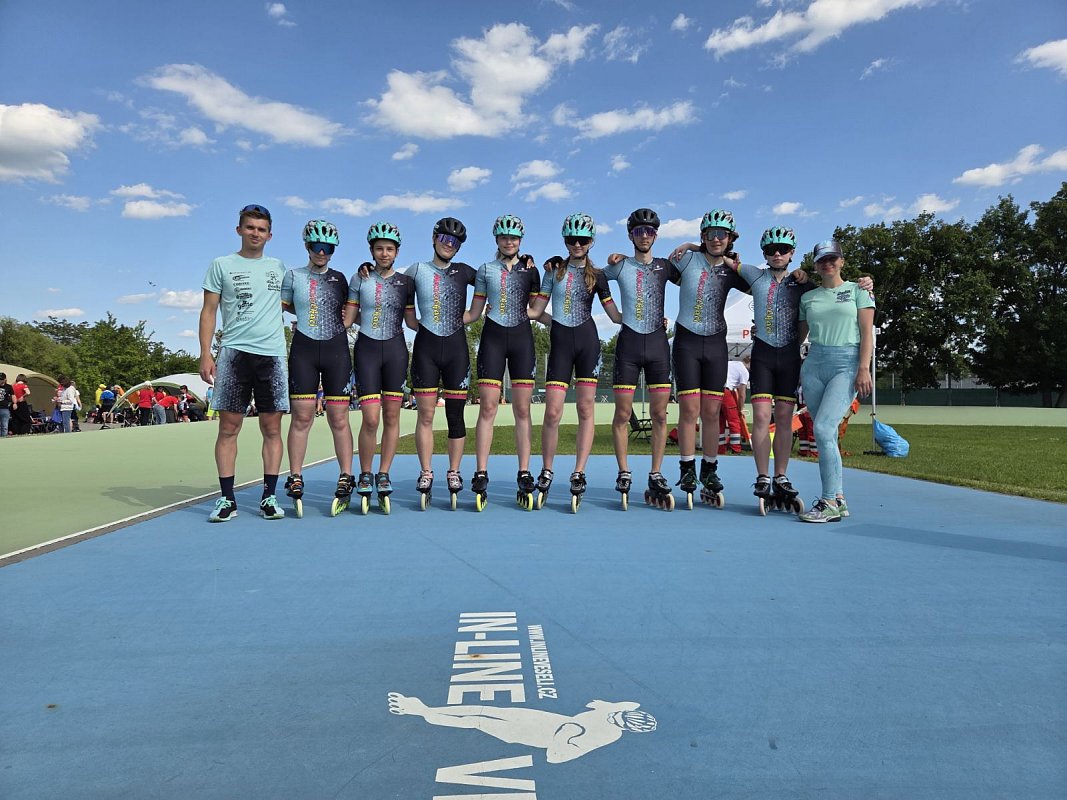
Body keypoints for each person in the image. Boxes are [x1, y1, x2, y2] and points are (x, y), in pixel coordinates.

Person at [199, 203, 289, 522]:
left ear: (270, 235)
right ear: (239, 230)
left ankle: (269, 498)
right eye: (250, 227)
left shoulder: (279, 268)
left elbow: (300, 300)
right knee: (228, 428)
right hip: (234, 353)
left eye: (261, 229)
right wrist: (206, 353)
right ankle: (227, 499)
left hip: (272, 355)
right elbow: (209, 311)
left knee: (272, 428)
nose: (255, 233)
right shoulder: (221, 265)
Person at [530, 213, 619, 511]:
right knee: (552, 412)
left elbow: (615, 316)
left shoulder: (599, 276)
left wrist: (651, 320)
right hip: (560, 346)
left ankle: (579, 471)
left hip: (588, 344)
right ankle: (547, 470)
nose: (577, 244)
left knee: (585, 409)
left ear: (591, 242)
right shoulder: (553, 271)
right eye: (572, 239)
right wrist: (509, 309)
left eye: (582, 240)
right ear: (565, 241)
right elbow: (536, 311)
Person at [463, 215, 547, 510]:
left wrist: (557, 323)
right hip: (492, 340)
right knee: (487, 408)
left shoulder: (531, 271)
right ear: (497, 240)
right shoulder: (486, 270)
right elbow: (474, 313)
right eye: (504, 237)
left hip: (522, 339)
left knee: (522, 409)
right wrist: (443, 320)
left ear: (520, 241)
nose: (509, 241)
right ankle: (481, 471)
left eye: (513, 237)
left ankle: (524, 471)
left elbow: (536, 310)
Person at [602, 209, 678, 509]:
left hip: (658, 345)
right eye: (638, 231)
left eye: (649, 231)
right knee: (622, 415)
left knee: (660, 415)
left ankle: (656, 473)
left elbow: (698, 272)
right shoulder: (620, 266)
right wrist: (614, 313)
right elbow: (591, 278)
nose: (644, 236)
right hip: (629, 345)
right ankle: (624, 472)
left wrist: (690, 245)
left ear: (656, 235)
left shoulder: (665, 266)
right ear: (630, 235)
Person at [281, 219, 355, 517]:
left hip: (336, 350)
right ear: (307, 246)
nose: (322, 252)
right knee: (302, 417)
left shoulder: (340, 279)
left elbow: (352, 310)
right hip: (304, 350)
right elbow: (283, 306)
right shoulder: (293, 276)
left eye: (328, 248)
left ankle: (346, 475)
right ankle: (295, 475)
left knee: (339, 418)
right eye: (316, 246)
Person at [797, 240, 875, 523]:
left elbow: (867, 333)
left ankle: (829, 501)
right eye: (821, 260)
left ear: (842, 261)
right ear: (815, 265)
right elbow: (799, 337)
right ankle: (838, 499)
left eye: (832, 259)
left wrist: (863, 368)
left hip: (847, 364)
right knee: (825, 434)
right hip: (814, 365)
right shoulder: (808, 298)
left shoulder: (859, 290)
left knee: (823, 427)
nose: (827, 264)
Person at [343, 222, 415, 514]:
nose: (384, 253)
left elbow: (411, 322)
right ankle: (365, 472)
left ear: (397, 252)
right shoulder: (359, 278)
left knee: (392, 416)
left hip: (396, 350)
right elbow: (348, 320)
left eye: (389, 249)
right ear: (371, 251)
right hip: (367, 350)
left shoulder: (406, 282)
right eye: (379, 248)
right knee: (371, 419)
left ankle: (383, 473)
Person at [405, 217, 477, 509]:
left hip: (457, 350)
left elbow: (498, 280)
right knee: (425, 415)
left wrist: (524, 262)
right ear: (434, 238)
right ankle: (426, 472)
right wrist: (368, 268)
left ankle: (454, 471)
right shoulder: (416, 270)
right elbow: (400, 300)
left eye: (455, 242)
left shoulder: (465, 271)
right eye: (445, 239)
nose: (449, 244)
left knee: (455, 416)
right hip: (426, 348)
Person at [719, 356, 750, 455]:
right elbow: (742, 395)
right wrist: (740, 409)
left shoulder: (732, 363)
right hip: (726, 392)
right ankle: (736, 449)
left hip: (714, 391)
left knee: (719, 422)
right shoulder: (744, 371)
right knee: (734, 421)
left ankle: (720, 449)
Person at [0, 373, 12, 437]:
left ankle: (4, 439)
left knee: (4, 426)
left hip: (5, 408)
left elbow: (13, 396)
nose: (0, 381)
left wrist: (14, 403)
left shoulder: (8, 387)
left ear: (5, 379)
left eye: (2, 379)